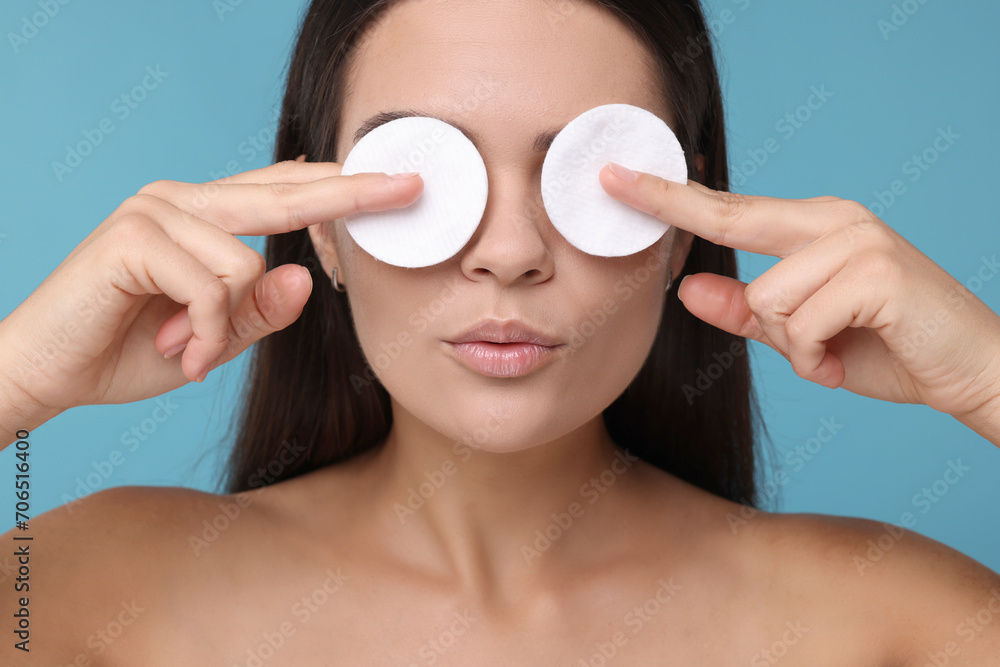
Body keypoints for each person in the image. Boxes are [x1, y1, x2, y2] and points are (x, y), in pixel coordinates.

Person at [2, 0, 1000, 663]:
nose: (510, 251)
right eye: (430, 181)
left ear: (679, 227)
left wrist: (991, 381)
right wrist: (17, 380)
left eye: (587, 174)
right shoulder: (95, 590)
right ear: (321, 228)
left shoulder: (885, 624)